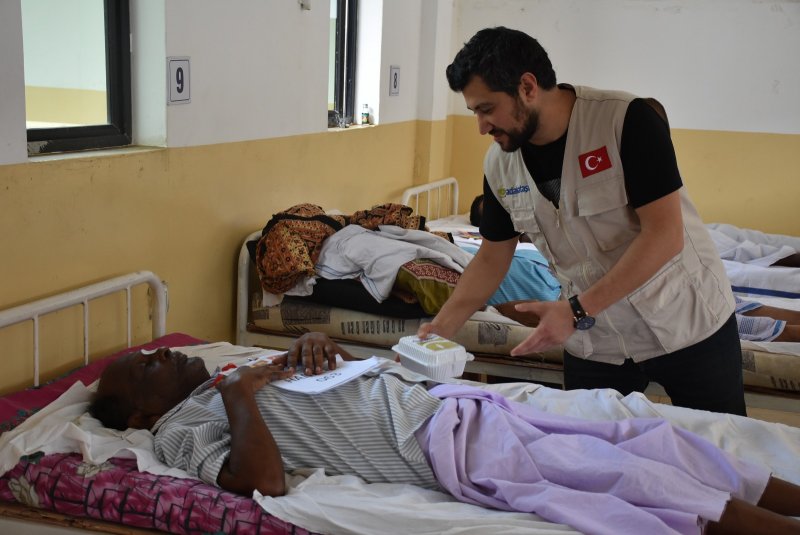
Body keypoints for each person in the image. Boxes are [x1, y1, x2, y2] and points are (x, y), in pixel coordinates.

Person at [88, 332, 800, 535]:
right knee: (634, 478)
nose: (163, 353)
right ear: (141, 415)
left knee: (653, 438)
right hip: (440, 445)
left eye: (155, 349)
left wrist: (316, 348)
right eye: (146, 366)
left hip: (454, 405)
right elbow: (261, 481)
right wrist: (241, 392)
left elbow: (338, 379)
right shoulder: (182, 428)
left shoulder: (224, 376)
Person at [418, 27, 747, 415]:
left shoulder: (623, 120)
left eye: (487, 109)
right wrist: (441, 328)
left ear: (527, 87)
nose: (481, 126)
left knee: (722, 445)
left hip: (686, 321)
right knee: (591, 446)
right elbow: (492, 256)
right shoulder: (500, 165)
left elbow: (665, 234)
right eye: (474, 112)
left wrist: (575, 310)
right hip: (597, 340)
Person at [471, 193, 800, 343]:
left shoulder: (531, 248)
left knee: (725, 301)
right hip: (593, 304)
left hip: (619, 283)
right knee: (710, 318)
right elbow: (500, 308)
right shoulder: (477, 264)